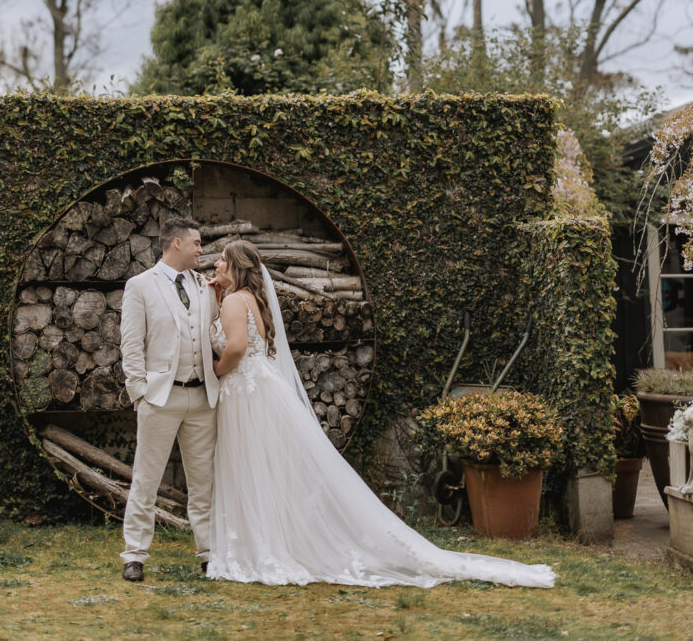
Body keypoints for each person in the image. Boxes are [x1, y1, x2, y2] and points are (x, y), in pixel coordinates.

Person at [207, 239, 556, 590]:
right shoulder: (249, 299)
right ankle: (268, 543)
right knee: (263, 470)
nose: (216, 265)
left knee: (250, 467)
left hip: (245, 393)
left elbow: (236, 348)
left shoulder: (236, 301)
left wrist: (217, 370)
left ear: (237, 266)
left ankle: (259, 547)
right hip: (259, 390)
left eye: (222, 260)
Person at [118, 216, 218, 582]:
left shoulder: (205, 286)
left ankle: (209, 554)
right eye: (196, 243)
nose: (201, 249)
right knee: (146, 480)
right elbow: (131, 343)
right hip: (160, 397)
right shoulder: (140, 286)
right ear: (176, 243)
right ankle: (134, 555)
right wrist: (139, 393)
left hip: (202, 398)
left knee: (203, 481)